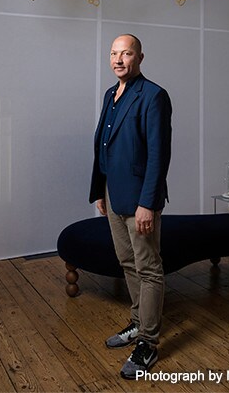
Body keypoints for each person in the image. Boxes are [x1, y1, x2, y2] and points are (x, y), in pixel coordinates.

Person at [89, 34, 172, 379]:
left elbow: (158, 155)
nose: (118, 59)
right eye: (114, 53)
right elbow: (104, 146)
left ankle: (148, 343)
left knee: (148, 268)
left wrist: (147, 204)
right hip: (113, 194)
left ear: (139, 57)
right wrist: (100, 190)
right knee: (127, 261)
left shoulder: (153, 96)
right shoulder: (110, 94)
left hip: (140, 199)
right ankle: (138, 323)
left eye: (126, 53)